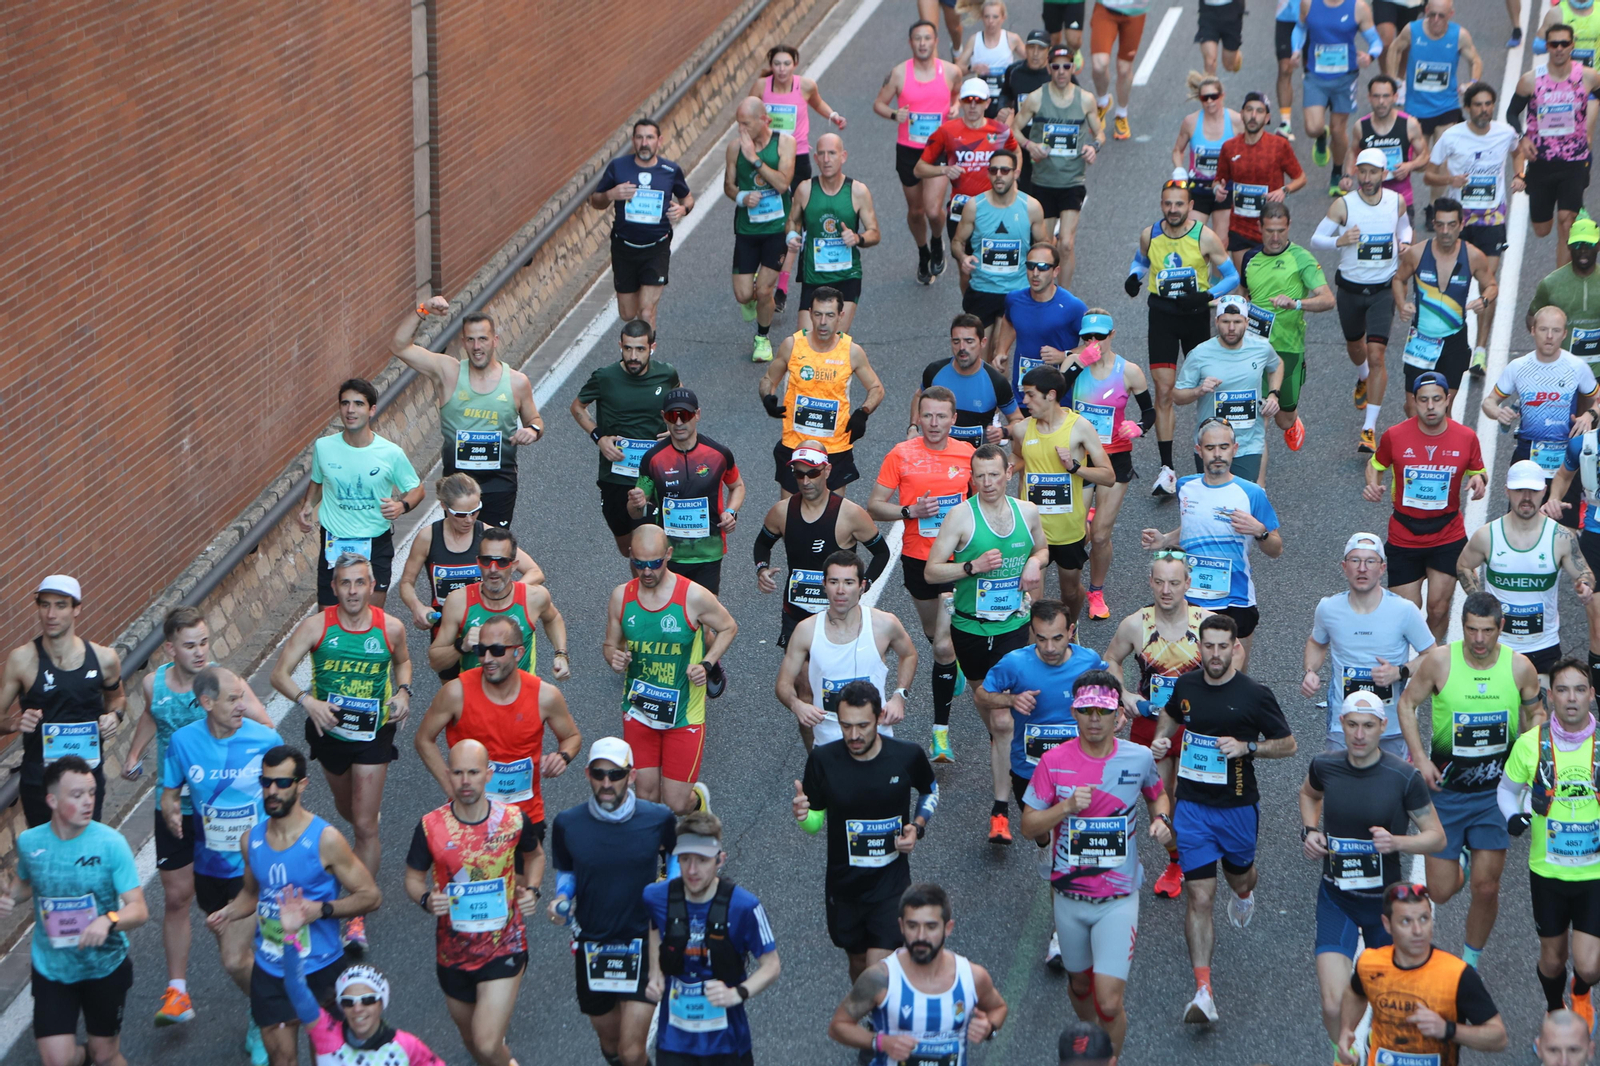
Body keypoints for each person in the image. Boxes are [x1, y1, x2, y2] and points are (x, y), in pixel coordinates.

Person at [124, 606, 272, 1027]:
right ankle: (177, 992)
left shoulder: (225, 685)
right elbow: (155, 716)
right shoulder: (156, 684)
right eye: (189, 645)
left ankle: (249, 968)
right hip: (174, 805)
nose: (200, 652)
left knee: (230, 900)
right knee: (175, 897)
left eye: (204, 642)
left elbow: (264, 728)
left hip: (223, 813)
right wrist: (134, 754)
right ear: (170, 649)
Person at [1149, 612, 1296, 1024]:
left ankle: (1246, 893)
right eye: (1208, 646)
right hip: (1192, 807)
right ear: (1200, 648)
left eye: (1222, 647)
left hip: (1236, 808)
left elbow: (1288, 745)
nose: (1214, 654)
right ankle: (1203, 991)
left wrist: (1248, 747)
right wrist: (1162, 738)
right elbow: (1173, 714)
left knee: (1239, 878)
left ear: (1236, 648)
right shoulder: (1187, 684)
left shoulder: (1254, 694)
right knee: (1199, 897)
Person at [1021, 674, 1169, 1057]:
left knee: (1108, 1000)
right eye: (1085, 711)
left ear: (1118, 715)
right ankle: (1091, 1044)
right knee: (1081, 987)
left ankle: (1109, 1059)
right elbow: (1027, 825)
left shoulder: (1137, 757)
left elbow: (1158, 796)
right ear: (1074, 712)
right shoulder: (1054, 762)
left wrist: (1161, 821)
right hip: (1069, 897)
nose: (1093, 720)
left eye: (1102, 712)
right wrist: (1067, 807)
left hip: (1118, 899)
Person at [269, 552, 411, 949]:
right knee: (348, 809)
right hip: (329, 733)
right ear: (334, 588)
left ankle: (356, 914)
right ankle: (363, 813)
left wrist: (403, 692)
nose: (352, 591)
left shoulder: (391, 628)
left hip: (374, 733)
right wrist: (307, 701)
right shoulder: (316, 626)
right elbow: (277, 674)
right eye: (345, 583)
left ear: (371, 586)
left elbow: (403, 663)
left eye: (360, 583)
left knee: (364, 826)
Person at [206, 745, 382, 1066]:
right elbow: (252, 893)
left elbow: (370, 895)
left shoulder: (325, 839)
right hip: (272, 969)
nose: (272, 791)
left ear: (301, 785)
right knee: (282, 1060)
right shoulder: (251, 840)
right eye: (266, 782)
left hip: (321, 968)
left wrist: (322, 910)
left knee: (329, 1060)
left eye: (282, 783)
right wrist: (228, 912)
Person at [1396, 591, 1544, 969]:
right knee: (1442, 892)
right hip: (1447, 792)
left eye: (1487, 631)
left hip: (1496, 794)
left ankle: (1469, 962)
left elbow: (1536, 721)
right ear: (1463, 627)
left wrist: (1529, 769)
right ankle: (1459, 857)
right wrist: (1421, 758)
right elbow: (1407, 704)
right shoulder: (1440, 663)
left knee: (1487, 886)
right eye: (1471, 630)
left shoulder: (1520, 668)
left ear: (1501, 628)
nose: (1479, 640)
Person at [1300, 689, 1446, 1047]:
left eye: (1368, 725)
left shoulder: (1403, 777)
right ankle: (1343, 1054)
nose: (1360, 734)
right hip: (1337, 898)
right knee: (1333, 1005)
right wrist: (1310, 831)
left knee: (1392, 1005)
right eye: (1352, 725)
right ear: (1342, 724)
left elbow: (1436, 838)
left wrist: (1398, 843)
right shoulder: (1324, 765)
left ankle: (1375, 1047)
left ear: (1383, 726)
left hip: (1386, 907)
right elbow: (1308, 794)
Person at [925, 443, 1051, 843]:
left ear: (1009, 472)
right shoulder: (961, 517)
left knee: (1002, 720)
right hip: (971, 629)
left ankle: (1000, 812)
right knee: (991, 710)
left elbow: (1043, 547)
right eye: (979, 476)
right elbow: (931, 571)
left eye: (994, 475)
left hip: (1013, 625)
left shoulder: (1026, 512)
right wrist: (970, 567)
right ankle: (1002, 742)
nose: (987, 483)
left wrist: (1035, 561)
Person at [159, 666, 283, 1055]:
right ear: (207, 703)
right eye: (233, 699)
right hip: (209, 864)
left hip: (253, 867)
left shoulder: (265, 740)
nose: (242, 706)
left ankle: (267, 1015)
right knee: (236, 949)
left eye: (242, 696)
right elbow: (170, 788)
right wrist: (168, 806)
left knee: (232, 959)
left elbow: (290, 797)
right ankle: (265, 993)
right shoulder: (182, 742)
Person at [404, 739, 544, 1066]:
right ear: (448, 775)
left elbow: (535, 856)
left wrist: (532, 890)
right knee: (473, 1044)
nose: (465, 781)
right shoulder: (430, 826)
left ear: (488, 775)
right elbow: (412, 878)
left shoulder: (512, 819)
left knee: (487, 1041)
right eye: (458, 773)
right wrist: (425, 898)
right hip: (453, 951)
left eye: (473, 772)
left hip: (504, 945)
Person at [0, 756, 146, 1066]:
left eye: (91, 793)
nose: (88, 802)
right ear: (52, 800)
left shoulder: (111, 844)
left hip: (104, 966)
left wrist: (109, 920)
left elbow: (138, 910)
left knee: (105, 1054)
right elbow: (26, 884)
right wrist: (10, 896)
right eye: (77, 795)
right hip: (52, 967)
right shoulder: (29, 842)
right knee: (57, 1060)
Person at [794, 684, 940, 981]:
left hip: (890, 883)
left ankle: (880, 1023)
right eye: (846, 726)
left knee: (879, 968)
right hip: (844, 885)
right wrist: (803, 815)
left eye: (863, 725)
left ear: (879, 717)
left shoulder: (906, 755)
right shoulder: (824, 760)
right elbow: (814, 822)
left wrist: (917, 826)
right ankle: (872, 1017)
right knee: (859, 963)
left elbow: (930, 790)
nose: (854, 735)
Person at [549, 737, 677, 1066]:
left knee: (632, 1051)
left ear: (631, 776)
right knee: (611, 1046)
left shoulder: (658, 818)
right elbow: (566, 870)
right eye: (599, 773)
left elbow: (675, 857)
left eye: (616, 775)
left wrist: (673, 894)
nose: (607, 783)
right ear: (588, 775)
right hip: (594, 944)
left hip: (643, 942)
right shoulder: (568, 823)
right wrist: (562, 897)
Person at [867, 390, 976, 761]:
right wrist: (909, 510)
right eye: (928, 416)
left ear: (953, 418)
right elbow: (874, 506)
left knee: (943, 646)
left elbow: (982, 500)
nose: (934, 424)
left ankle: (940, 735)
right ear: (920, 417)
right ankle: (951, 659)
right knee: (934, 635)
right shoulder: (901, 454)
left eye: (941, 417)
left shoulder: (967, 455)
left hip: (957, 561)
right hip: (918, 560)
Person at [603, 526, 738, 814]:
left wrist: (707, 663)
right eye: (639, 563)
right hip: (639, 709)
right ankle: (657, 854)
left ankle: (698, 803)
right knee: (645, 798)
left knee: (676, 803)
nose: (647, 571)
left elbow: (728, 626)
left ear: (668, 555)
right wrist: (614, 657)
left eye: (654, 563)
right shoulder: (621, 597)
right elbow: (609, 645)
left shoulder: (692, 596)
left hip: (684, 714)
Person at [1104, 553, 1213, 899]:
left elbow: (1232, 660)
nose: (1167, 590)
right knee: (1161, 796)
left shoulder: (1207, 623)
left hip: (1198, 725)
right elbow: (1111, 659)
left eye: (1175, 582)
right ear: (1150, 582)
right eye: (1160, 582)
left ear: (1188, 584)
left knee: (1187, 796)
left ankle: (1194, 852)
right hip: (1153, 722)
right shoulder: (1135, 624)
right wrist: (1123, 694)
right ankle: (1176, 861)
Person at [1500, 659, 1600, 1029]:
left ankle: (1581, 991)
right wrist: (1513, 816)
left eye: (1579, 689)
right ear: (1551, 696)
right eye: (1562, 690)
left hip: (1595, 873)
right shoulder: (1530, 744)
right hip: (1548, 871)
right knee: (1553, 959)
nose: (1571, 698)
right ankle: (1555, 1006)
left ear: (1591, 694)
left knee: (1590, 964)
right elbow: (1506, 791)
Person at [413, 613, 582, 829]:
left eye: (498, 650)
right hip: (469, 818)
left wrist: (563, 756)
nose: (488, 659)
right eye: (481, 650)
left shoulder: (545, 696)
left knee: (530, 862)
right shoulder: (456, 692)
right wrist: (450, 786)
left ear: (518, 653)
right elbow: (423, 739)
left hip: (524, 817)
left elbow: (572, 737)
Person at [1139, 419, 1284, 668]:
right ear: (1199, 450)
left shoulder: (1251, 493)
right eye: (1210, 448)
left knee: (1232, 676)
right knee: (1184, 671)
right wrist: (1165, 540)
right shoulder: (1185, 487)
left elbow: (1276, 549)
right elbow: (1194, 526)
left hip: (1235, 599)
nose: (1217, 454)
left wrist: (1260, 531)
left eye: (1224, 447)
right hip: (1191, 596)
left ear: (1235, 449)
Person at [1126, 179, 1239, 496]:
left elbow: (1232, 276)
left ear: (1190, 206)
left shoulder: (1205, 236)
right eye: (1167, 203)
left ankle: (1215, 458)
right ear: (1161, 204)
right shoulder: (1150, 234)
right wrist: (1134, 278)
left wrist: (1206, 296)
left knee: (1207, 389)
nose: (1173, 209)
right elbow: (1141, 261)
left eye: (1179, 204)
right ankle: (1167, 470)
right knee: (1164, 391)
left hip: (1194, 319)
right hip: (1161, 317)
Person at [983, 605, 1112, 882]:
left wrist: (1118, 711)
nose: (1049, 647)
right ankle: (1044, 846)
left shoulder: (1088, 660)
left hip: (1078, 764)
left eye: (1057, 638)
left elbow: (1107, 690)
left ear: (1071, 632)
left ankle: (1080, 887)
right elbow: (983, 695)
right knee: (1036, 826)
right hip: (1029, 766)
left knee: (1079, 833)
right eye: (1041, 638)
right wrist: (1011, 700)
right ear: (1032, 633)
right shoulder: (1015, 663)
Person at [644, 812, 782, 1066]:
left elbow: (772, 965)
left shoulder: (745, 907)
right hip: (673, 1043)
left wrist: (738, 993)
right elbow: (654, 924)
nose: (692, 870)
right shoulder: (656, 896)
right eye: (685, 859)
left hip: (726, 1044)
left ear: (720, 859)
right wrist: (655, 971)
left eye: (702, 860)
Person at [390, 300, 543, 528]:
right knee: (459, 551)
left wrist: (533, 430)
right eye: (470, 339)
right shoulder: (448, 371)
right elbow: (399, 346)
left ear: (495, 341)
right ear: (463, 342)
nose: (476, 346)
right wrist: (422, 310)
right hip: (456, 484)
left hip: (498, 482)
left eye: (482, 339)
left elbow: (535, 421)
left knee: (492, 551)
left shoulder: (517, 382)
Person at [1364, 371, 1487, 640]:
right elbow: (1376, 465)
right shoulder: (1395, 435)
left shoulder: (1466, 437)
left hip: (1447, 534)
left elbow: (1478, 470)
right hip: (1404, 535)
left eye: (1436, 399)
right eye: (1423, 400)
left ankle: (1428, 667)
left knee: (1438, 609)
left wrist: (1478, 479)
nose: (1430, 406)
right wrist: (1373, 484)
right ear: (1414, 401)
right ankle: (1405, 664)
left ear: (1447, 399)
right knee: (1405, 613)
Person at [827, 883, 1008, 1062]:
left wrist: (989, 1029)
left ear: (948, 928)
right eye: (913, 926)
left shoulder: (973, 977)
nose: (921, 936)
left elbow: (998, 1008)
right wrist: (880, 1042)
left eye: (931, 927)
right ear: (901, 926)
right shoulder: (880, 978)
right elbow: (838, 1026)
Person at [1336, 882, 1508, 1065]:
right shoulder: (1370, 963)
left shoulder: (1456, 975)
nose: (1418, 930)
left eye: (1424, 919)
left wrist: (1448, 1029)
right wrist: (1347, 1030)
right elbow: (1355, 993)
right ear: (1387, 924)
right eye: (1406, 921)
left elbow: (1498, 1038)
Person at [0, 575, 124, 828]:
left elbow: (117, 698)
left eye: (60, 605)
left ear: (76, 608)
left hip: (86, 781)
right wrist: (15, 724)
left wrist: (115, 716)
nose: (51, 614)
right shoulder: (22, 660)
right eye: (44, 605)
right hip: (40, 782)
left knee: (84, 857)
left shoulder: (104, 658)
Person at [1312, 147, 1413, 453]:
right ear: (1356, 172)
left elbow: (1404, 226)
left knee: (1377, 354)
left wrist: (1405, 241)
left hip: (1383, 289)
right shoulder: (1344, 205)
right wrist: (1339, 241)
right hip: (1351, 290)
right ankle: (1362, 377)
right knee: (1356, 347)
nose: (1367, 179)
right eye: (1363, 172)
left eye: (1373, 173)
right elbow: (1316, 238)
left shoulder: (1395, 202)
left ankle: (1369, 429)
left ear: (1384, 174)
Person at [1458, 460, 1596, 679]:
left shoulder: (1560, 537)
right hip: (1498, 646)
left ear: (1543, 491)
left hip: (1544, 646)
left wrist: (1585, 586)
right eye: (1519, 490)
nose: (1526, 497)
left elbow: (1584, 573)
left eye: (1532, 490)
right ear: (1507, 492)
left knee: (1539, 711)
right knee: (1499, 711)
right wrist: (1481, 602)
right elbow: (1464, 565)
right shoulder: (1488, 535)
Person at [295, 377, 424, 608]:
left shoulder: (390, 453)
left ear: (372, 410)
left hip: (375, 542)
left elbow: (417, 489)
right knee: (329, 620)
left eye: (358, 404)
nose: (350, 410)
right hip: (335, 542)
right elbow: (317, 482)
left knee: (370, 618)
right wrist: (307, 506)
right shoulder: (323, 447)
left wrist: (401, 506)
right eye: (345, 404)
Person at [1305, 533, 1435, 759]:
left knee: (1391, 792)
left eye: (1370, 561)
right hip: (1343, 724)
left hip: (1390, 726)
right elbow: (1316, 643)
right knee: (1340, 787)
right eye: (1355, 561)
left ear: (1382, 568)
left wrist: (1399, 672)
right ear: (1345, 567)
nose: (1362, 568)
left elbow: (1433, 655)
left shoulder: (1403, 610)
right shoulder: (1328, 608)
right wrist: (1310, 671)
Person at [1005, 364, 1115, 622]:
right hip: (1032, 529)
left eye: (1031, 394)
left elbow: (1108, 476)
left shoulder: (1080, 428)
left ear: (1051, 395)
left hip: (1068, 530)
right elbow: (1018, 457)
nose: (1025, 400)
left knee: (1070, 593)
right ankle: (1038, 650)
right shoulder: (1022, 429)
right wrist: (1009, 467)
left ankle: (1070, 628)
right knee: (1034, 600)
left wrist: (1075, 467)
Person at [776, 551, 918, 750]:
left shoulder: (884, 624)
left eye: (849, 583)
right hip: (829, 741)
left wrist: (899, 696)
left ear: (862, 586)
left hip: (877, 736)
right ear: (824, 585)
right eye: (834, 582)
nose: (840, 590)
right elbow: (783, 684)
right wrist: (796, 704)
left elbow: (909, 654)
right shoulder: (806, 630)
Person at [275, 901, 446, 1066]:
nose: (358, 1008)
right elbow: (295, 987)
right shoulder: (325, 1033)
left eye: (368, 1000)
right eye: (349, 1002)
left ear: (381, 1003)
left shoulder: (406, 1045)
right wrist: (290, 936)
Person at [755, 441, 890, 650]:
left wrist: (866, 583)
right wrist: (762, 569)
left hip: (838, 614)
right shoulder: (781, 512)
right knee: (800, 679)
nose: (806, 481)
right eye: (799, 474)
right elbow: (762, 543)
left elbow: (881, 552)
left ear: (827, 470)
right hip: (795, 611)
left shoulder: (851, 514)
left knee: (831, 678)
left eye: (813, 473)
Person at [1427, 81, 1523, 372]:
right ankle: (1446, 340)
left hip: (1492, 219)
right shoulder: (1451, 136)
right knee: (1449, 283)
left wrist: (1519, 174)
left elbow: (1518, 150)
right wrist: (1450, 181)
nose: (1484, 110)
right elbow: (1429, 175)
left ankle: (1480, 350)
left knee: (1487, 282)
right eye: (1478, 105)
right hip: (1457, 222)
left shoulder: (1505, 132)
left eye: (1488, 104)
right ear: (1467, 109)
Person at [758, 286, 885, 498]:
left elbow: (877, 388)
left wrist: (863, 412)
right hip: (794, 446)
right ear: (810, 314)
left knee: (833, 520)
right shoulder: (792, 345)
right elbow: (768, 379)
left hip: (834, 448)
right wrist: (767, 397)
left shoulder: (852, 351)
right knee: (791, 517)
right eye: (818, 315)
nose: (823, 322)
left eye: (829, 315)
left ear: (840, 316)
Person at [1066, 311, 1153, 616]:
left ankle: (1096, 593)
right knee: (1078, 532)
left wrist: (1139, 427)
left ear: (1112, 335)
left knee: (1101, 534)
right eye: (1087, 338)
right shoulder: (1072, 364)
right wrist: (1079, 362)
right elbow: (1056, 391)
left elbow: (1149, 412)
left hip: (1115, 457)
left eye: (1099, 337)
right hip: (1081, 456)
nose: (1093, 343)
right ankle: (1085, 520)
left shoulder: (1129, 371)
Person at [572, 318, 682, 556]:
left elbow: (681, 404)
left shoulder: (666, 374)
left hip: (654, 472)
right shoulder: (605, 377)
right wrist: (599, 438)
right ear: (620, 345)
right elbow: (578, 407)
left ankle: (653, 588)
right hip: (615, 475)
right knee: (628, 549)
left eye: (640, 349)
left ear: (652, 347)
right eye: (628, 348)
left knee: (649, 544)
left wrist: (674, 427)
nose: (633, 356)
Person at [629, 388, 747, 608]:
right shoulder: (653, 458)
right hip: (667, 556)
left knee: (705, 618)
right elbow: (636, 510)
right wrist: (636, 503)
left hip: (708, 553)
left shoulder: (719, 454)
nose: (680, 422)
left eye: (686, 415)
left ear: (698, 415)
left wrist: (731, 512)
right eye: (673, 416)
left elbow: (737, 485)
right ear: (665, 417)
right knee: (670, 617)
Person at [755, 43, 847, 313]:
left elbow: (817, 103)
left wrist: (833, 115)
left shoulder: (805, 85)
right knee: (771, 217)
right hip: (770, 159)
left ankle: (781, 287)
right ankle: (760, 265)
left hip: (799, 160)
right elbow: (749, 115)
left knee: (792, 223)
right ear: (771, 66)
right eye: (777, 64)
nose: (782, 69)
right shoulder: (761, 87)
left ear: (795, 64)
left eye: (787, 63)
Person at [396, 473, 543, 641]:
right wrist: (417, 607)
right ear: (444, 506)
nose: (469, 520)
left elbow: (535, 572)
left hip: (484, 625)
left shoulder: (487, 535)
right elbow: (407, 583)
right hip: (446, 628)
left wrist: (507, 593)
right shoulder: (428, 537)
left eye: (475, 511)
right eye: (460, 514)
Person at [1486, 306, 1598, 524]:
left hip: (1565, 456)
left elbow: (1598, 398)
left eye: (1556, 331)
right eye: (1544, 329)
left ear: (1564, 334)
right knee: (1520, 522)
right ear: (1532, 330)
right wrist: (1498, 412)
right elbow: (1488, 401)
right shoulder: (1518, 366)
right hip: (1528, 453)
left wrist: (1590, 415)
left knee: (1564, 526)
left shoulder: (1576, 366)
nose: (1549, 337)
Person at [1241, 201, 1336, 449]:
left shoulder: (1301, 258)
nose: (1275, 237)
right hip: (1254, 347)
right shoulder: (1250, 258)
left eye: (1281, 230)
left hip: (1288, 348)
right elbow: (1244, 296)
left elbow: (1327, 300)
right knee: (1257, 413)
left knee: (1283, 420)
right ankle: (1252, 473)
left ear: (1289, 226)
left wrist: (1296, 303)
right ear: (1259, 227)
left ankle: (1294, 422)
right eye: (1269, 230)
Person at [873, 21, 961, 285]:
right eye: (917, 39)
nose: (922, 43)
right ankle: (922, 251)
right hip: (909, 150)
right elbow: (879, 103)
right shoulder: (899, 73)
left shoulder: (950, 71)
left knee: (934, 211)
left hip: (939, 149)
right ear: (910, 42)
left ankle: (937, 243)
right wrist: (893, 114)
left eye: (927, 38)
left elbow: (958, 94)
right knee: (916, 211)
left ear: (935, 41)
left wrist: (955, 106)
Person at [920, 89, 1027, 304]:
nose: (972, 105)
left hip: (995, 209)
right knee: (966, 268)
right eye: (968, 100)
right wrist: (944, 170)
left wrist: (1014, 175)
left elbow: (1015, 152)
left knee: (999, 263)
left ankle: (1001, 310)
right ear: (960, 102)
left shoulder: (1000, 131)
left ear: (987, 103)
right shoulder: (946, 131)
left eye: (978, 101)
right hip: (961, 210)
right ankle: (971, 312)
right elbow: (919, 168)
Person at [1392, 197, 1499, 407]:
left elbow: (1492, 286)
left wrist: (1484, 300)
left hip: (1454, 341)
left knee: (1442, 408)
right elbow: (1398, 279)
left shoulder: (1473, 256)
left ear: (1461, 225)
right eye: (1440, 225)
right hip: (1421, 340)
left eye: (1451, 225)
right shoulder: (1416, 253)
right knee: (1413, 408)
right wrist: (1401, 304)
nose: (1445, 231)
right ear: (1434, 225)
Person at [1010, 46, 1102, 287]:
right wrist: (1029, 145)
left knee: (1067, 243)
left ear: (1073, 67)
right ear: (1049, 68)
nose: (1061, 72)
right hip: (1043, 181)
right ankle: (1044, 291)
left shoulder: (1085, 99)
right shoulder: (1037, 97)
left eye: (1066, 66)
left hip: (1072, 181)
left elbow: (1100, 133)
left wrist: (1094, 147)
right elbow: (1014, 128)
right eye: (1056, 66)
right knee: (1045, 244)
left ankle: (1064, 294)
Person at [1510, 23, 1600, 267]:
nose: (1559, 49)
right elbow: (1511, 114)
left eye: (1564, 43)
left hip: (1575, 161)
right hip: (1542, 162)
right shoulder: (1530, 80)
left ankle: (1560, 286)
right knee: (1541, 229)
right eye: (1554, 44)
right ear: (1547, 47)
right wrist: (1522, 137)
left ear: (1572, 45)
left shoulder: (1588, 76)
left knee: (1566, 221)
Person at [590, 118, 694, 329]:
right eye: (639, 137)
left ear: (659, 141)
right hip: (624, 248)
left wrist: (683, 209)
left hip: (656, 248)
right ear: (633, 141)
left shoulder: (670, 170)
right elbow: (595, 200)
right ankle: (643, 303)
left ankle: (648, 356)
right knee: (628, 314)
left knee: (646, 312)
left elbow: (688, 198)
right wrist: (611, 193)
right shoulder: (618, 167)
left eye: (649, 137)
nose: (644, 143)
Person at [429, 526, 569, 682]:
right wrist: (461, 646)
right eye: (486, 561)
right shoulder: (458, 601)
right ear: (478, 562)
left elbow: (553, 618)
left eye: (501, 562)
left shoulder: (534, 597)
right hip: (475, 701)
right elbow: (435, 662)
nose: (493, 569)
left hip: (521, 699)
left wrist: (561, 654)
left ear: (514, 565)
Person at [1172, 295, 1286, 483]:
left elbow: (1277, 365)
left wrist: (1274, 395)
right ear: (1216, 321)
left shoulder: (1261, 348)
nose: (1231, 328)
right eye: (1225, 322)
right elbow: (1177, 396)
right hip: (1211, 444)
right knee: (1213, 502)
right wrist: (1199, 390)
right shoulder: (1200, 353)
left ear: (1247, 322)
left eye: (1237, 322)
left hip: (1248, 443)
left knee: (1242, 503)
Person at [1388, 0, 1482, 206]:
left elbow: (1475, 60)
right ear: (1426, 12)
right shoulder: (1412, 30)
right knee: (1420, 163)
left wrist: (1472, 83)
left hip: (1446, 107)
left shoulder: (1459, 35)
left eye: (1441, 16)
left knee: (1441, 159)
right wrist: (1392, 81)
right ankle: (1400, 202)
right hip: (1416, 109)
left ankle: (1434, 207)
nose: (1436, 20)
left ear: (1451, 14)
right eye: (1432, 15)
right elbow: (1395, 49)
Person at [785, 133, 879, 334]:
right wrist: (791, 237)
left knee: (834, 342)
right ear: (815, 158)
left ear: (843, 156)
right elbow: (793, 221)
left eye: (832, 153)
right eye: (822, 154)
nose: (827, 159)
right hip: (814, 277)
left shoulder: (857, 191)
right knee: (805, 344)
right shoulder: (805, 190)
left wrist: (857, 238)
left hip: (847, 276)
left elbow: (874, 233)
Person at [724, 97, 795, 363]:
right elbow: (728, 186)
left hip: (777, 229)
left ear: (763, 120)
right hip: (747, 231)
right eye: (738, 124)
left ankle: (762, 338)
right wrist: (741, 196)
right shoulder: (733, 149)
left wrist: (754, 159)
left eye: (745, 124)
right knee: (744, 295)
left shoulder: (785, 144)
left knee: (765, 290)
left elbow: (781, 183)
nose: (741, 130)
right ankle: (755, 295)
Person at [1292, 0, 1383, 196]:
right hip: (1315, 75)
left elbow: (1376, 41)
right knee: (1312, 128)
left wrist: (1370, 56)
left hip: (1345, 77)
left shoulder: (1358, 7)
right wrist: (1295, 50)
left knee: (1338, 128)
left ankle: (1336, 173)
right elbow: (1299, 29)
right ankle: (1321, 136)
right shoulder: (1308, 3)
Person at [1215, 91, 1307, 267]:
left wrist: (1284, 190)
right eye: (1249, 110)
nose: (1253, 116)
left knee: (1270, 284)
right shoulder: (1229, 147)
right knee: (1246, 281)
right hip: (1239, 227)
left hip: (1271, 227)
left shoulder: (1279, 146)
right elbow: (1219, 180)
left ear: (1267, 118)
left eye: (1259, 111)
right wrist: (1217, 190)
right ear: (1241, 114)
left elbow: (1300, 178)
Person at [993, 243, 1087, 407]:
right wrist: (1002, 350)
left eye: (1043, 267)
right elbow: (1008, 321)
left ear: (1055, 271)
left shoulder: (1073, 307)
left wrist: (1065, 355)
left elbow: (1097, 345)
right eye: (1031, 266)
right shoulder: (1014, 300)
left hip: (1057, 399)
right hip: (1023, 395)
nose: (1035, 273)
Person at [916, 315, 1023, 446]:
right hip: (939, 455)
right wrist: (913, 427)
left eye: (969, 341)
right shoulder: (934, 372)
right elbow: (918, 397)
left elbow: (1017, 419)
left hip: (977, 459)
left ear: (983, 343)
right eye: (956, 341)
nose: (962, 347)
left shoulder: (996, 381)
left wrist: (1003, 432)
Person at [1343, 76, 1428, 224]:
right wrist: (1347, 176)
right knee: (1370, 244)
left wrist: (1410, 166)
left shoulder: (1409, 124)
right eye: (1376, 96)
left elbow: (1425, 155)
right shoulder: (1361, 126)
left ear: (1395, 97)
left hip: (1401, 197)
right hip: (1368, 198)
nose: (1381, 102)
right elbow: (1353, 151)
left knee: (1406, 245)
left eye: (1386, 96)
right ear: (1369, 97)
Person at [1528, 212, 1600, 382]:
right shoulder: (1551, 283)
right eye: (1577, 244)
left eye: (1589, 244)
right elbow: (1532, 316)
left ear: (1598, 245)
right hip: (1561, 371)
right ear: (1568, 245)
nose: (1583, 250)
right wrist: (1546, 340)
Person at [1171, 73, 1241, 240]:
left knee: (1221, 242)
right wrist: (1179, 170)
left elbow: (1250, 149)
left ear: (1222, 96)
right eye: (1204, 98)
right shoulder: (1191, 121)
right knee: (1192, 240)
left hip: (1226, 189)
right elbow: (1177, 150)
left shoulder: (1236, 120)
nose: (1209, 101)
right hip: (1198, 188)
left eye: (1213, 97)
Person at [1088, 0, 1149, 141]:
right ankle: (1103, 102)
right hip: (1106, 9)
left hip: (1135, 10)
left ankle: (1121, 114)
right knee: (1099, 64)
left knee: (1124, 69)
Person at [1001, 34, 1054, 171]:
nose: (1035, 53)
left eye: (1041, 49)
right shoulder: (1014, 71)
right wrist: (1003, 108)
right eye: (1031, 48)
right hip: (1022, 142)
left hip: (1050, 142)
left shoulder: (1057, 73)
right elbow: (1006, 95)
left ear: (1049, 51)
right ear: (1025, 48)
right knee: (1024, 189)